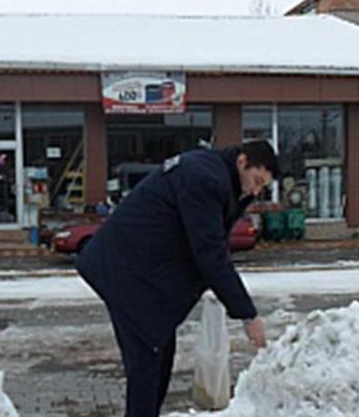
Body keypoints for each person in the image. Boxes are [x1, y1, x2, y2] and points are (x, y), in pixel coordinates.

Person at [76, 140, 279, 417]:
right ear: (242, 162)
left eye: (262, 187)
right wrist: (247, 315)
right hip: (124, 271)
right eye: (256, 181)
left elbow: (210, 246)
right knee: (147, 365)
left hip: (141, 272)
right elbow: (209, 252)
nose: (255, 191)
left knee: (159, 356)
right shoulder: (206, 178)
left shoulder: (222, 179)